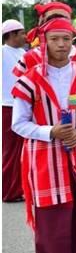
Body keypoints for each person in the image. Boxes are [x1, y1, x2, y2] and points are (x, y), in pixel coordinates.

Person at [11, 18, 76, 253]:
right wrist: (51, 131)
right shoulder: (30, 80)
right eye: (54, 39)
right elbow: (18, 124)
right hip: (44, 157)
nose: (61, 45)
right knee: (53, 224)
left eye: (66, 39)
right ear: (44, 42)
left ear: (73, 40)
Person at [2, 19, 26, 202]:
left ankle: (20, 188)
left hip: (23, 105)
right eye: (21, 34)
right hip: (7, 106)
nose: (25, 37)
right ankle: (9, 192)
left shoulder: (23, 53)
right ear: (11, 35)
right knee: (10, 152)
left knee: (23, 152)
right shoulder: (2, 53)